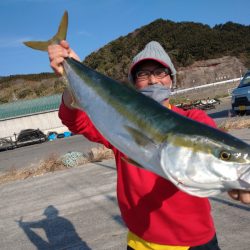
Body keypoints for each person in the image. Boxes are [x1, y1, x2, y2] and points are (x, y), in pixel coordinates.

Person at [48, 40, 250, 250]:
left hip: (195, 242)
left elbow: (215, 151)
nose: (153, 80)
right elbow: (74, 120)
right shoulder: (118, 124)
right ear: (135, 83)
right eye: (143, 74)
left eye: (160, 72)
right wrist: (72, 75)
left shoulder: (194, 119)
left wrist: (237, 177)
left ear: (171, 79)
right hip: (140, 242)